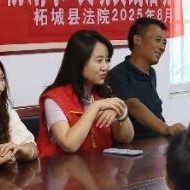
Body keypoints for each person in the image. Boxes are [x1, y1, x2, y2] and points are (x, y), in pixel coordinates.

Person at [37, 29, 134, 158]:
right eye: (99, 60)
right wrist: (95, 107)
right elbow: (69, 144)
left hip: (99, 166)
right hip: (61, 168)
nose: (105, 67)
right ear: (79, 62)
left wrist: (122, 113)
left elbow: (126, 139)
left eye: (107, 60)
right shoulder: (54, 98)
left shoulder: (103, 93)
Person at [107, 17, 184, 138]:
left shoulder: (151, 73)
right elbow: (133, 106)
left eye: (164, 43)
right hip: (136, 143)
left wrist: (168, 130)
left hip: (158, 138)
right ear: (137, 40)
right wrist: (165, 128)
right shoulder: (117, 74)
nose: (162, 47)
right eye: (158, 40)